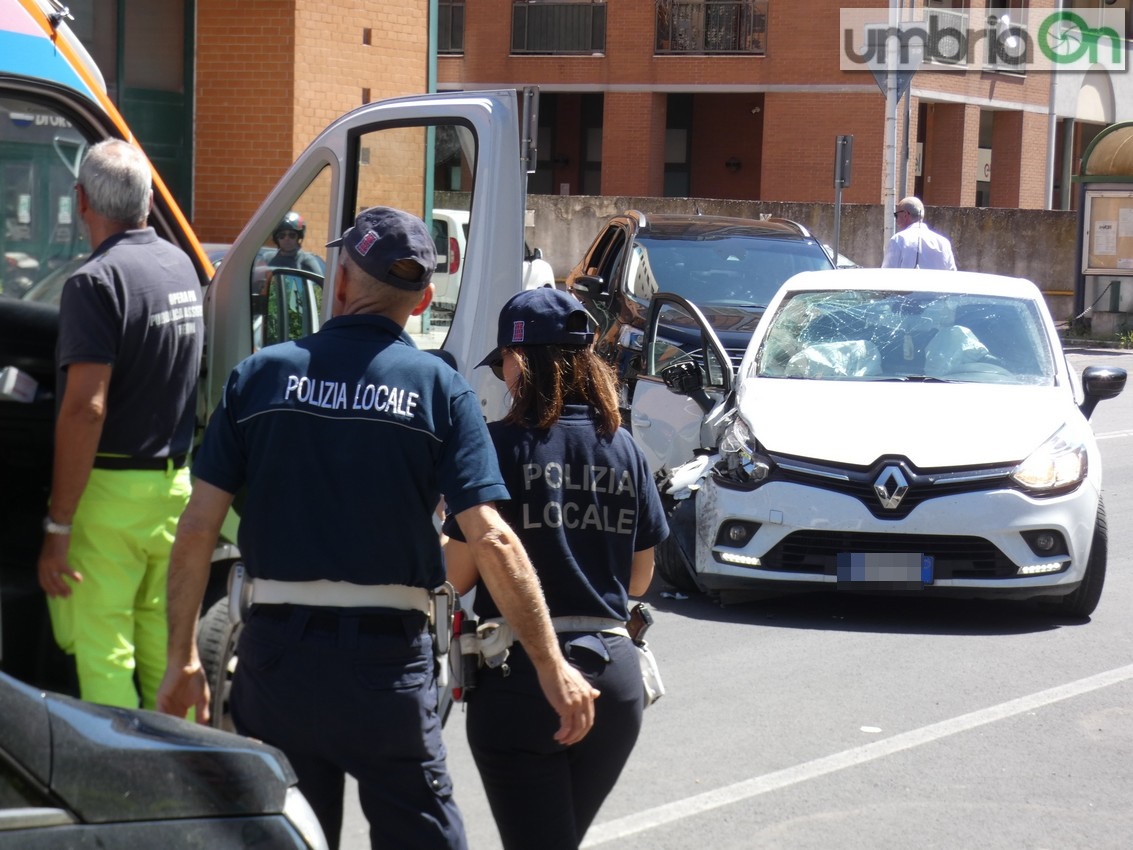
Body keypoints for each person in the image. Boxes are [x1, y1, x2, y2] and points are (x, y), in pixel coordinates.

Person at [156, 206, 598, 850]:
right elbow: (493, 538)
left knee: (287, 836)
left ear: (338, 282)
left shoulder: (259, 376)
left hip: (276, 660)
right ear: (421, 302)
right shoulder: (438, 388)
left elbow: (196, 529)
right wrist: (550, 664)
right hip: (387, 668)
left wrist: (182, 659)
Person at [443, 287, 669, 850]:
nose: (501, 377)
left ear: (519, 359)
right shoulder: (627, 449)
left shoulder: (493, 448)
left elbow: (458, 575)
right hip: (615, 683)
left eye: (501, 364)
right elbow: (639, 581)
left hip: (520, 680)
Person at [36, 139, 204, 710]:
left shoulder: (95, 282)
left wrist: (58, 528)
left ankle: (122, 788)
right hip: (173, 490)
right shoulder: (180, 266)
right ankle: (175, 777)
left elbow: (86, 407)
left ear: (81, 200)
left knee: (104, 653)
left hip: (108, 498)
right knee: (162, 647)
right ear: (149, 199)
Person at [882, 196, 957, 271]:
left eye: (896, 215)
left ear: (905, 214)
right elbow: (952, 275)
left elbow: (887, 274)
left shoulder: (898, 240)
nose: (896, 220)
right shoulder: (944, 243)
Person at [265, 210, 324, 274]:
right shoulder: (267, 259)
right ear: (276, 239)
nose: (286, 239)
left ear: (298, 237)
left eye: (292, 235)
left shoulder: (307, 261)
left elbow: (320, 282)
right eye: (282, 235)